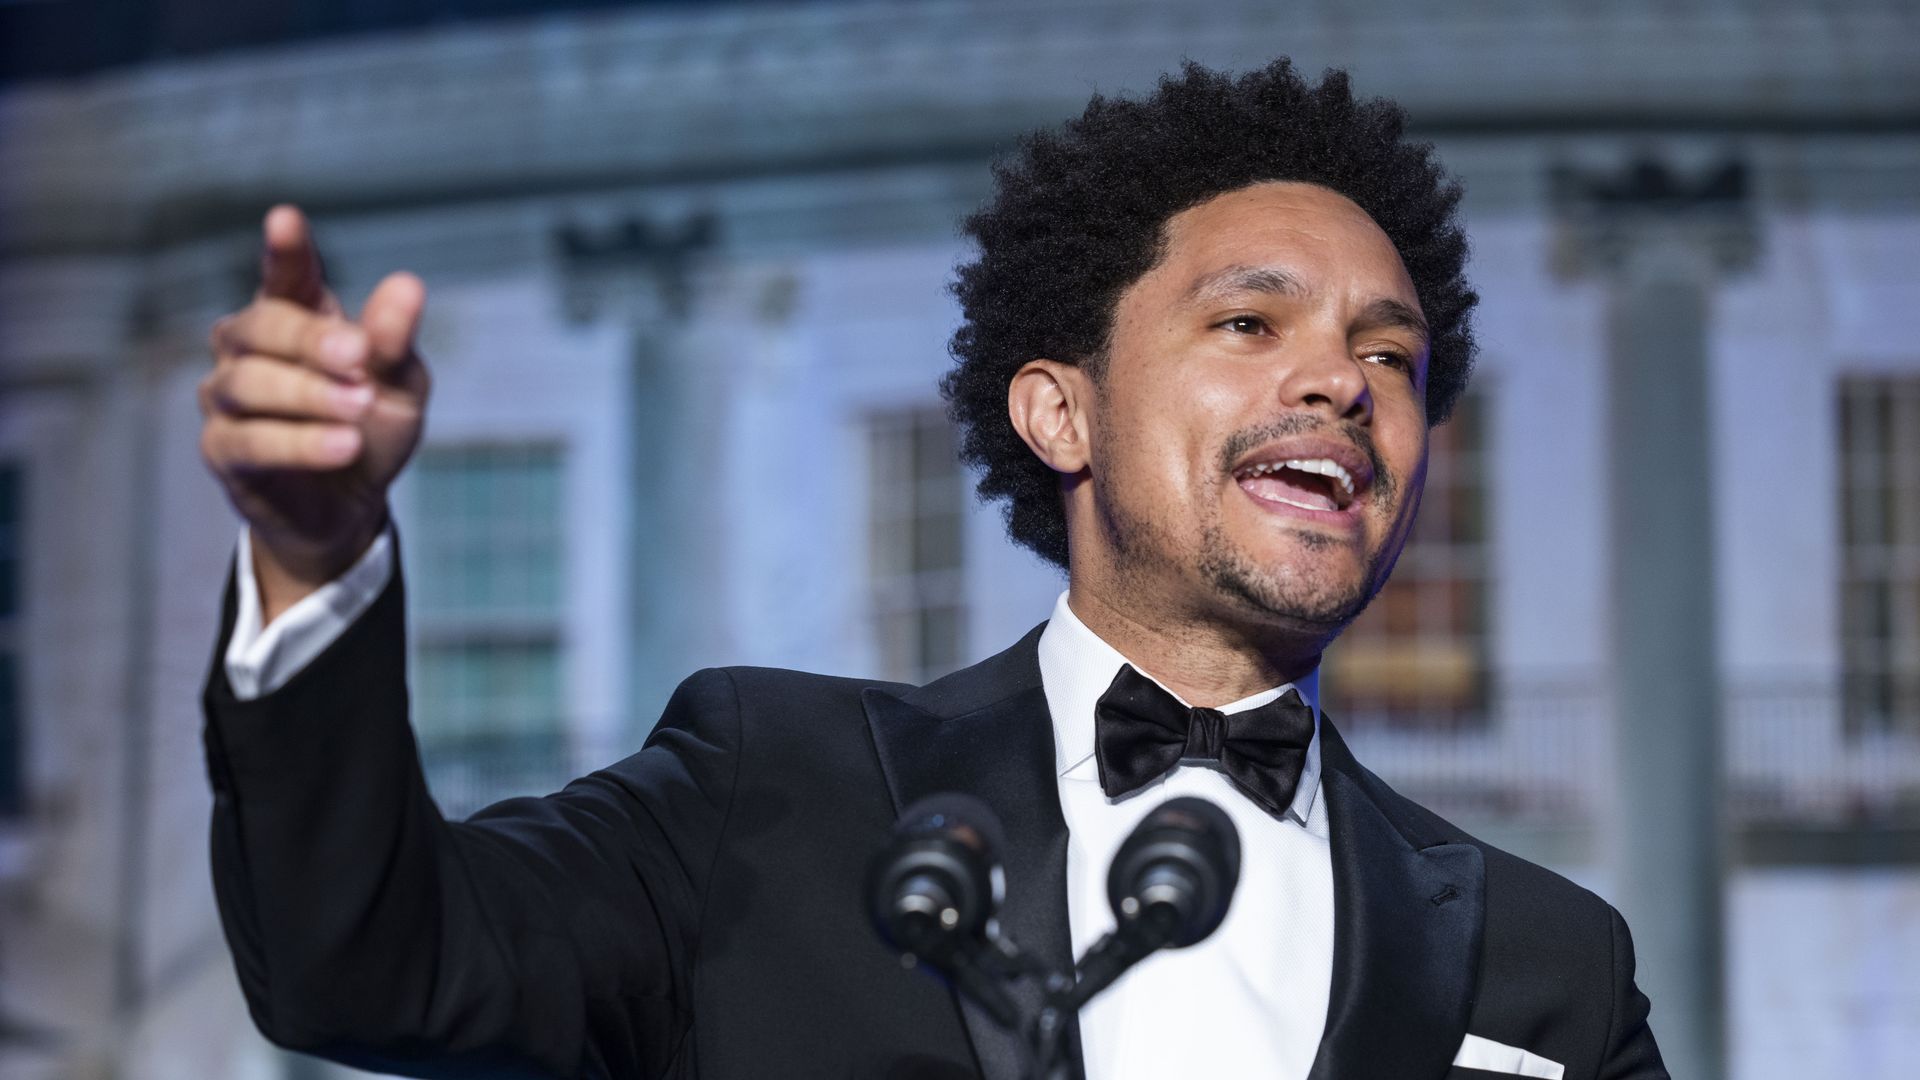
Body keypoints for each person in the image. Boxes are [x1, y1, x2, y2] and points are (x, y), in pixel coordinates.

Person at [198, 60, 1668, 1080]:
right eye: (1247, 325)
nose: (1342, 384)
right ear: (1060, 410)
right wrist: (313, 555)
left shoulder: (1551, 963)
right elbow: (364, 961)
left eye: (1389, 355)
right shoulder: (760, 793)